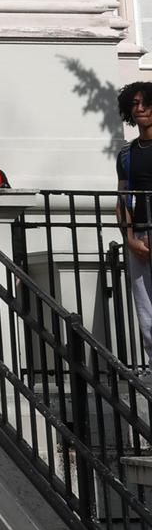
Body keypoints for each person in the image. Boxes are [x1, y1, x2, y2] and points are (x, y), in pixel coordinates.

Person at [119, 82, 152, 357]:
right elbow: (122, 199)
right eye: (135, 103)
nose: (140, 108)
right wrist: (129, 240)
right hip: (139, 238)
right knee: (148, 321)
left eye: (147, 102)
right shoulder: (126, 153)